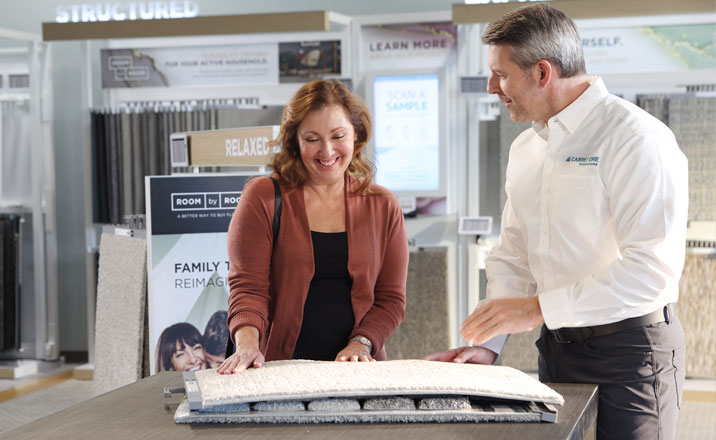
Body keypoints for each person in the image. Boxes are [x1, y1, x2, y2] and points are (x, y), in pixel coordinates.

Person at [424, 5, 687, 440]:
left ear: (542, 72)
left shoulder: (636, 138)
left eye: (501, 74)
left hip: (632, 352)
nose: (492, 87)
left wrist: (536, 309)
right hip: (557, 349)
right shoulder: (526, 150)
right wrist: (488, 345)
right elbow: (514, 255)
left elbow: (650, 271)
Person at [218, 79, 408, 375]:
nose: (327, 150)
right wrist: (246, 345)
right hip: (278, 369)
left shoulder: (383, 204)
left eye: (338, 136)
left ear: (357, 135)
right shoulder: (262, 197)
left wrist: (362, 343)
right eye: (312, 139)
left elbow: (390, 299)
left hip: (358, 371)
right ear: (295, 141)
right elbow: (248, 289)